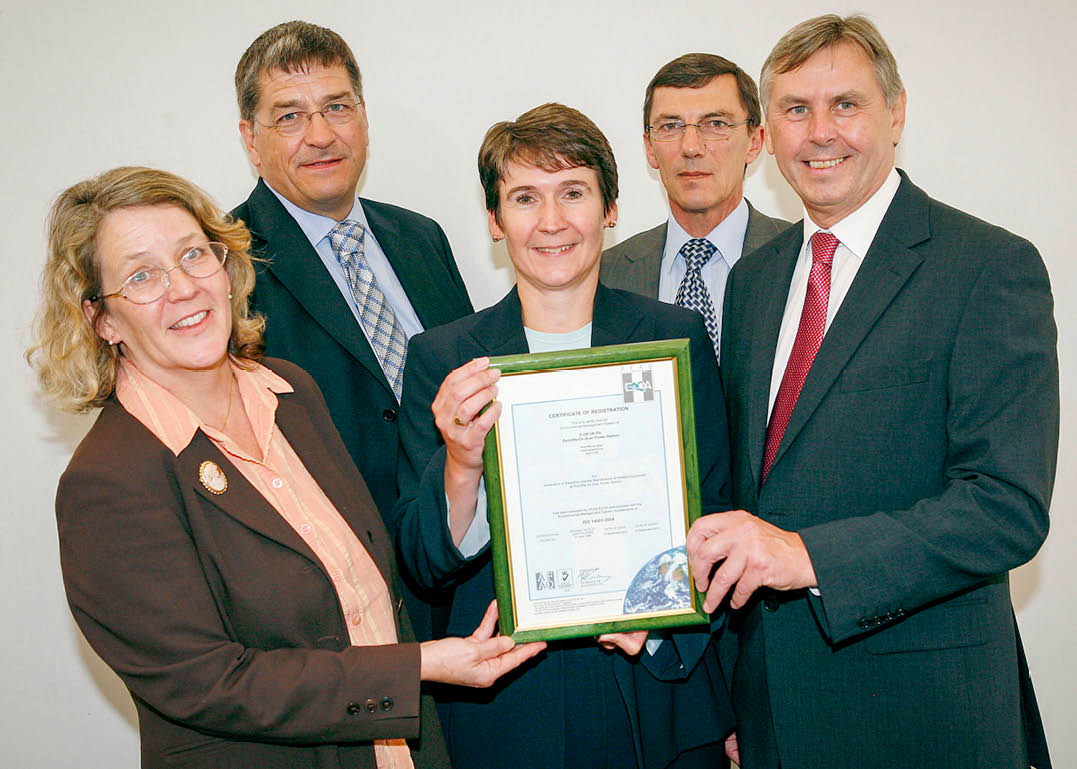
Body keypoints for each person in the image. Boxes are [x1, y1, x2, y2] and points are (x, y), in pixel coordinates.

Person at [27, 166, 544, 769]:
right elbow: (212, 683)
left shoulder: (292, 393)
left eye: (194, 255)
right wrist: (421, 666)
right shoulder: (109, 481)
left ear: (226, 268)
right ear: (102, 320)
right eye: (141, 276)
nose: (184, 288)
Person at [685, 14, 1057, 769]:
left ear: (896, 112)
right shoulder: (753, 283)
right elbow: (752, 495)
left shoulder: (986, 267)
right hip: (772, 713)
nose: (819, 132)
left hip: (921, 713)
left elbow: (1004, 507)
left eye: (844, 105)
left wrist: (807, 555)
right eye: (795, 110)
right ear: (770, 135)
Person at [392, 104, 735, 769]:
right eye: (524, 198)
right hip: (510, 707)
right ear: (495, 221)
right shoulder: (444, 359)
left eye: (572, 192)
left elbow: (715, 512)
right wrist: (462, 463)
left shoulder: (674, 339)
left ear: (608, 207)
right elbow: (421, 560)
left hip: (660, 692)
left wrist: (665, 621)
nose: (551, 222)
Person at [230, 19, 473, 552]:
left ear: (363, 118)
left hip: (461, 545)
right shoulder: (227, 266)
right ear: (251, 138)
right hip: (343, 571)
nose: (321, 136)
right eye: (289, 116)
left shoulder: (421, 237)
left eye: (337, 107)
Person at [601, 53, 789, 360]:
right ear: (650, 148)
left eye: (715, 124)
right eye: (671, 126)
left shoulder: (802, 260)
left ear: (755, 141)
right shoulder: (606, 275)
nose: (690, 147)